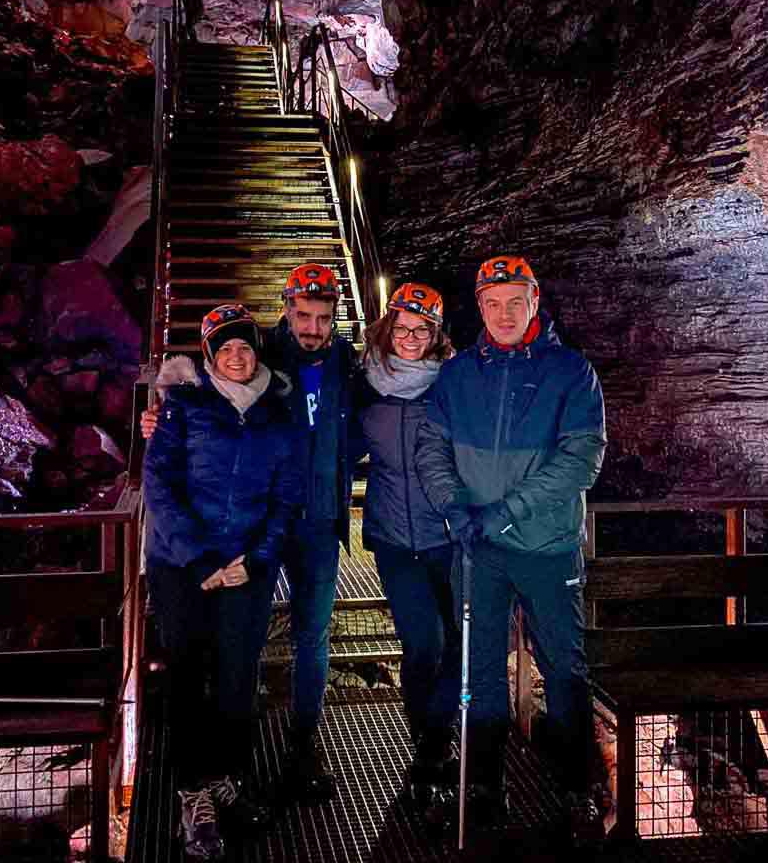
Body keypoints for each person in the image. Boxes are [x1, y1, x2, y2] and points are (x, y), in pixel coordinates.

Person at [142, 263, 358, 803]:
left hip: (312, 518)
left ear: (336, 319)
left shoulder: (348, 363)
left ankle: (298, 751)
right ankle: (210, 773)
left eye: (322, 318)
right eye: (302, 315)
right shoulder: (259, 352)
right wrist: (160, 416)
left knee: (306, 637)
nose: (311, 326)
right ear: (284, 309)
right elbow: (201, 382)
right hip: (245, 527)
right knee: (220, 651)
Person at [414, 255, 610, 849]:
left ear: (533, 301)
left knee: (563, 669)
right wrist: (453, 506)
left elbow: (581, 459)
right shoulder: (457, 376)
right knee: (479, 669)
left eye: (513, 301)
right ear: (480, 307)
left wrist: (505, 511)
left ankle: (576, 790)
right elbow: (431, 446)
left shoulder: (571, 373)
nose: (503, 313)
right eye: (492, 303)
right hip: (478, 550)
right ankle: (483, 787)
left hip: (546, 548)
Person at [142, 304, 302, 859]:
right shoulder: (183, 407)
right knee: (189, 675)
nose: (237, 356)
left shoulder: (276, 417)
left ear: (257, 352)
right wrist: (200, 558)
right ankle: (194, 792)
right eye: (225, 348)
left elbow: (286, 499)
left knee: (238, 678)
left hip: (246, 570)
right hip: (184, 567)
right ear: (209, 356)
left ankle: (225, 779)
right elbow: (159, 483)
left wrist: (256, 560)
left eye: (245, 346)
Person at [351, 283, 459, 807]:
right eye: (402, 328)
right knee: (424, 643)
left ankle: (442, 735)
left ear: (436, 335)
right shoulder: (364, 383)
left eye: (422, 330)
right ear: (386, 329)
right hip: (395, 537)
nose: (411, 338)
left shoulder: (455, 383)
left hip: (449, 535)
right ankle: (430, 745)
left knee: (459, 646)